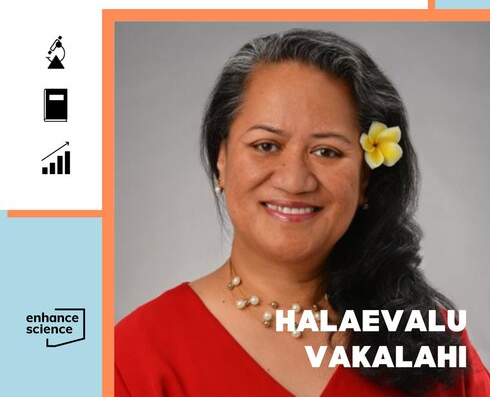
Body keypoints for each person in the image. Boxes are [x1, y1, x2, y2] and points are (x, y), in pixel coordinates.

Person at [115, 29, 489, 396]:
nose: (294, 181)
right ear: (221, 159)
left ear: (365, 179)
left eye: (327, 151)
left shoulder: (433, 344)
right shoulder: (135, 356)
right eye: (265, 145)